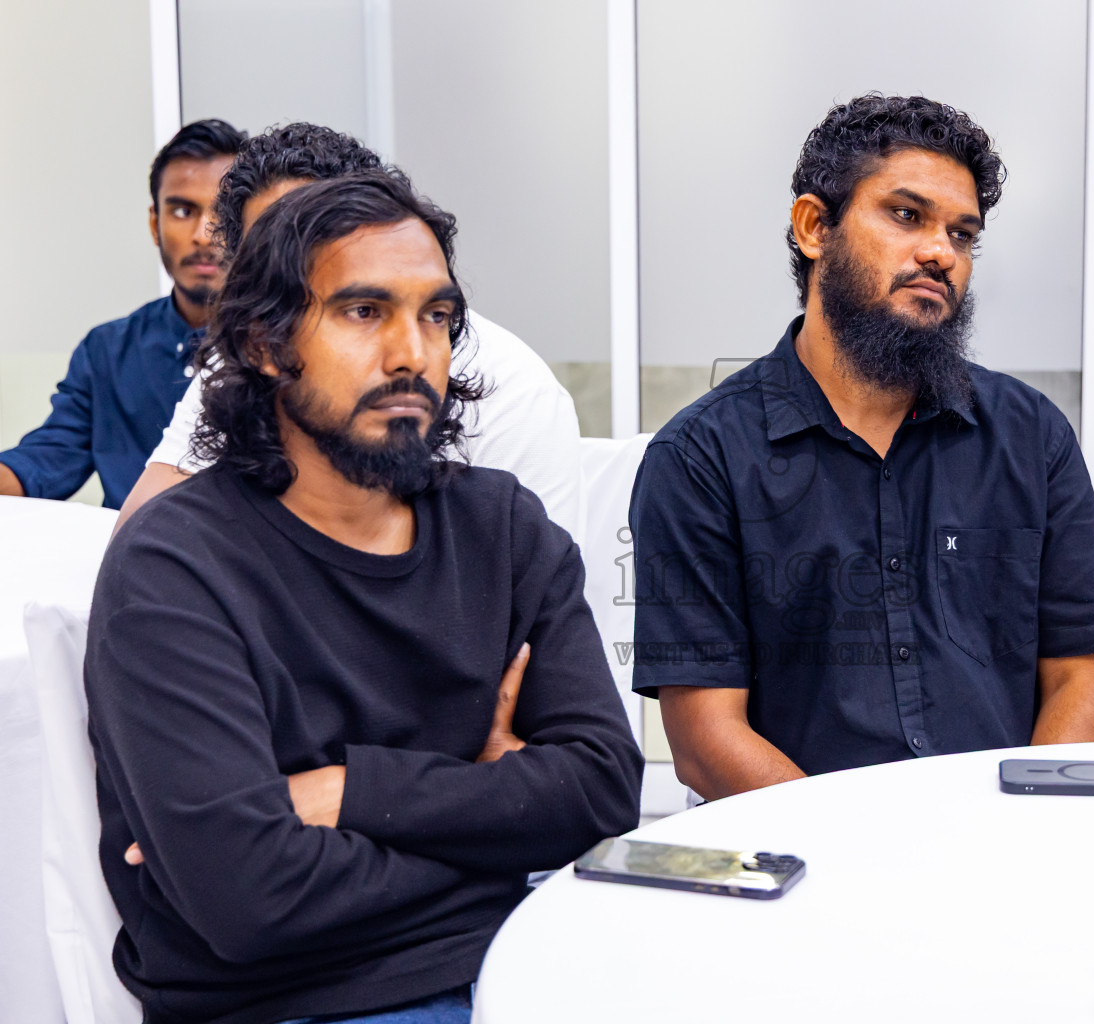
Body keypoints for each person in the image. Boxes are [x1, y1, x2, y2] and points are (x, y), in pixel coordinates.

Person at [87, 170, 641, 1024]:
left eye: (436, 316)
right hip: (293, 999)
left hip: (526, 956)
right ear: (268, 346)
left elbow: (601, 788)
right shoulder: (172, 568)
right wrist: (491, 817)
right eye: (363, 311)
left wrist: (344, 791)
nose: (412, 353)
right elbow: (249, 899)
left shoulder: (500, 524)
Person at [630, 95, 1094, 800]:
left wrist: (1025, 829)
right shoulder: (701, 458)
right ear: (813, 227)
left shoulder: (1031, 436)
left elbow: (1080, 679)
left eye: (962, 235)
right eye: (906, 215)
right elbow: (707, 740)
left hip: (1003, 845)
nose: (940, 252)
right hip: (804, 861)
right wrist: (853, 856)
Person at [116, 123, 583, 536]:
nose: (291, 268)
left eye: (325, 234)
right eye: (269, 253)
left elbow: (529, 606)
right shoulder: (252, 348)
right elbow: (145, 537)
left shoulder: (516, 390)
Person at [0, 119, 246, 508]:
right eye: (183, 211)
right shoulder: (106, 351)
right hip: (127, 562)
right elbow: (45, 461)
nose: (203, 233)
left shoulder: (280, 349)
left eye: (224, 212)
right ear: (155, 223)